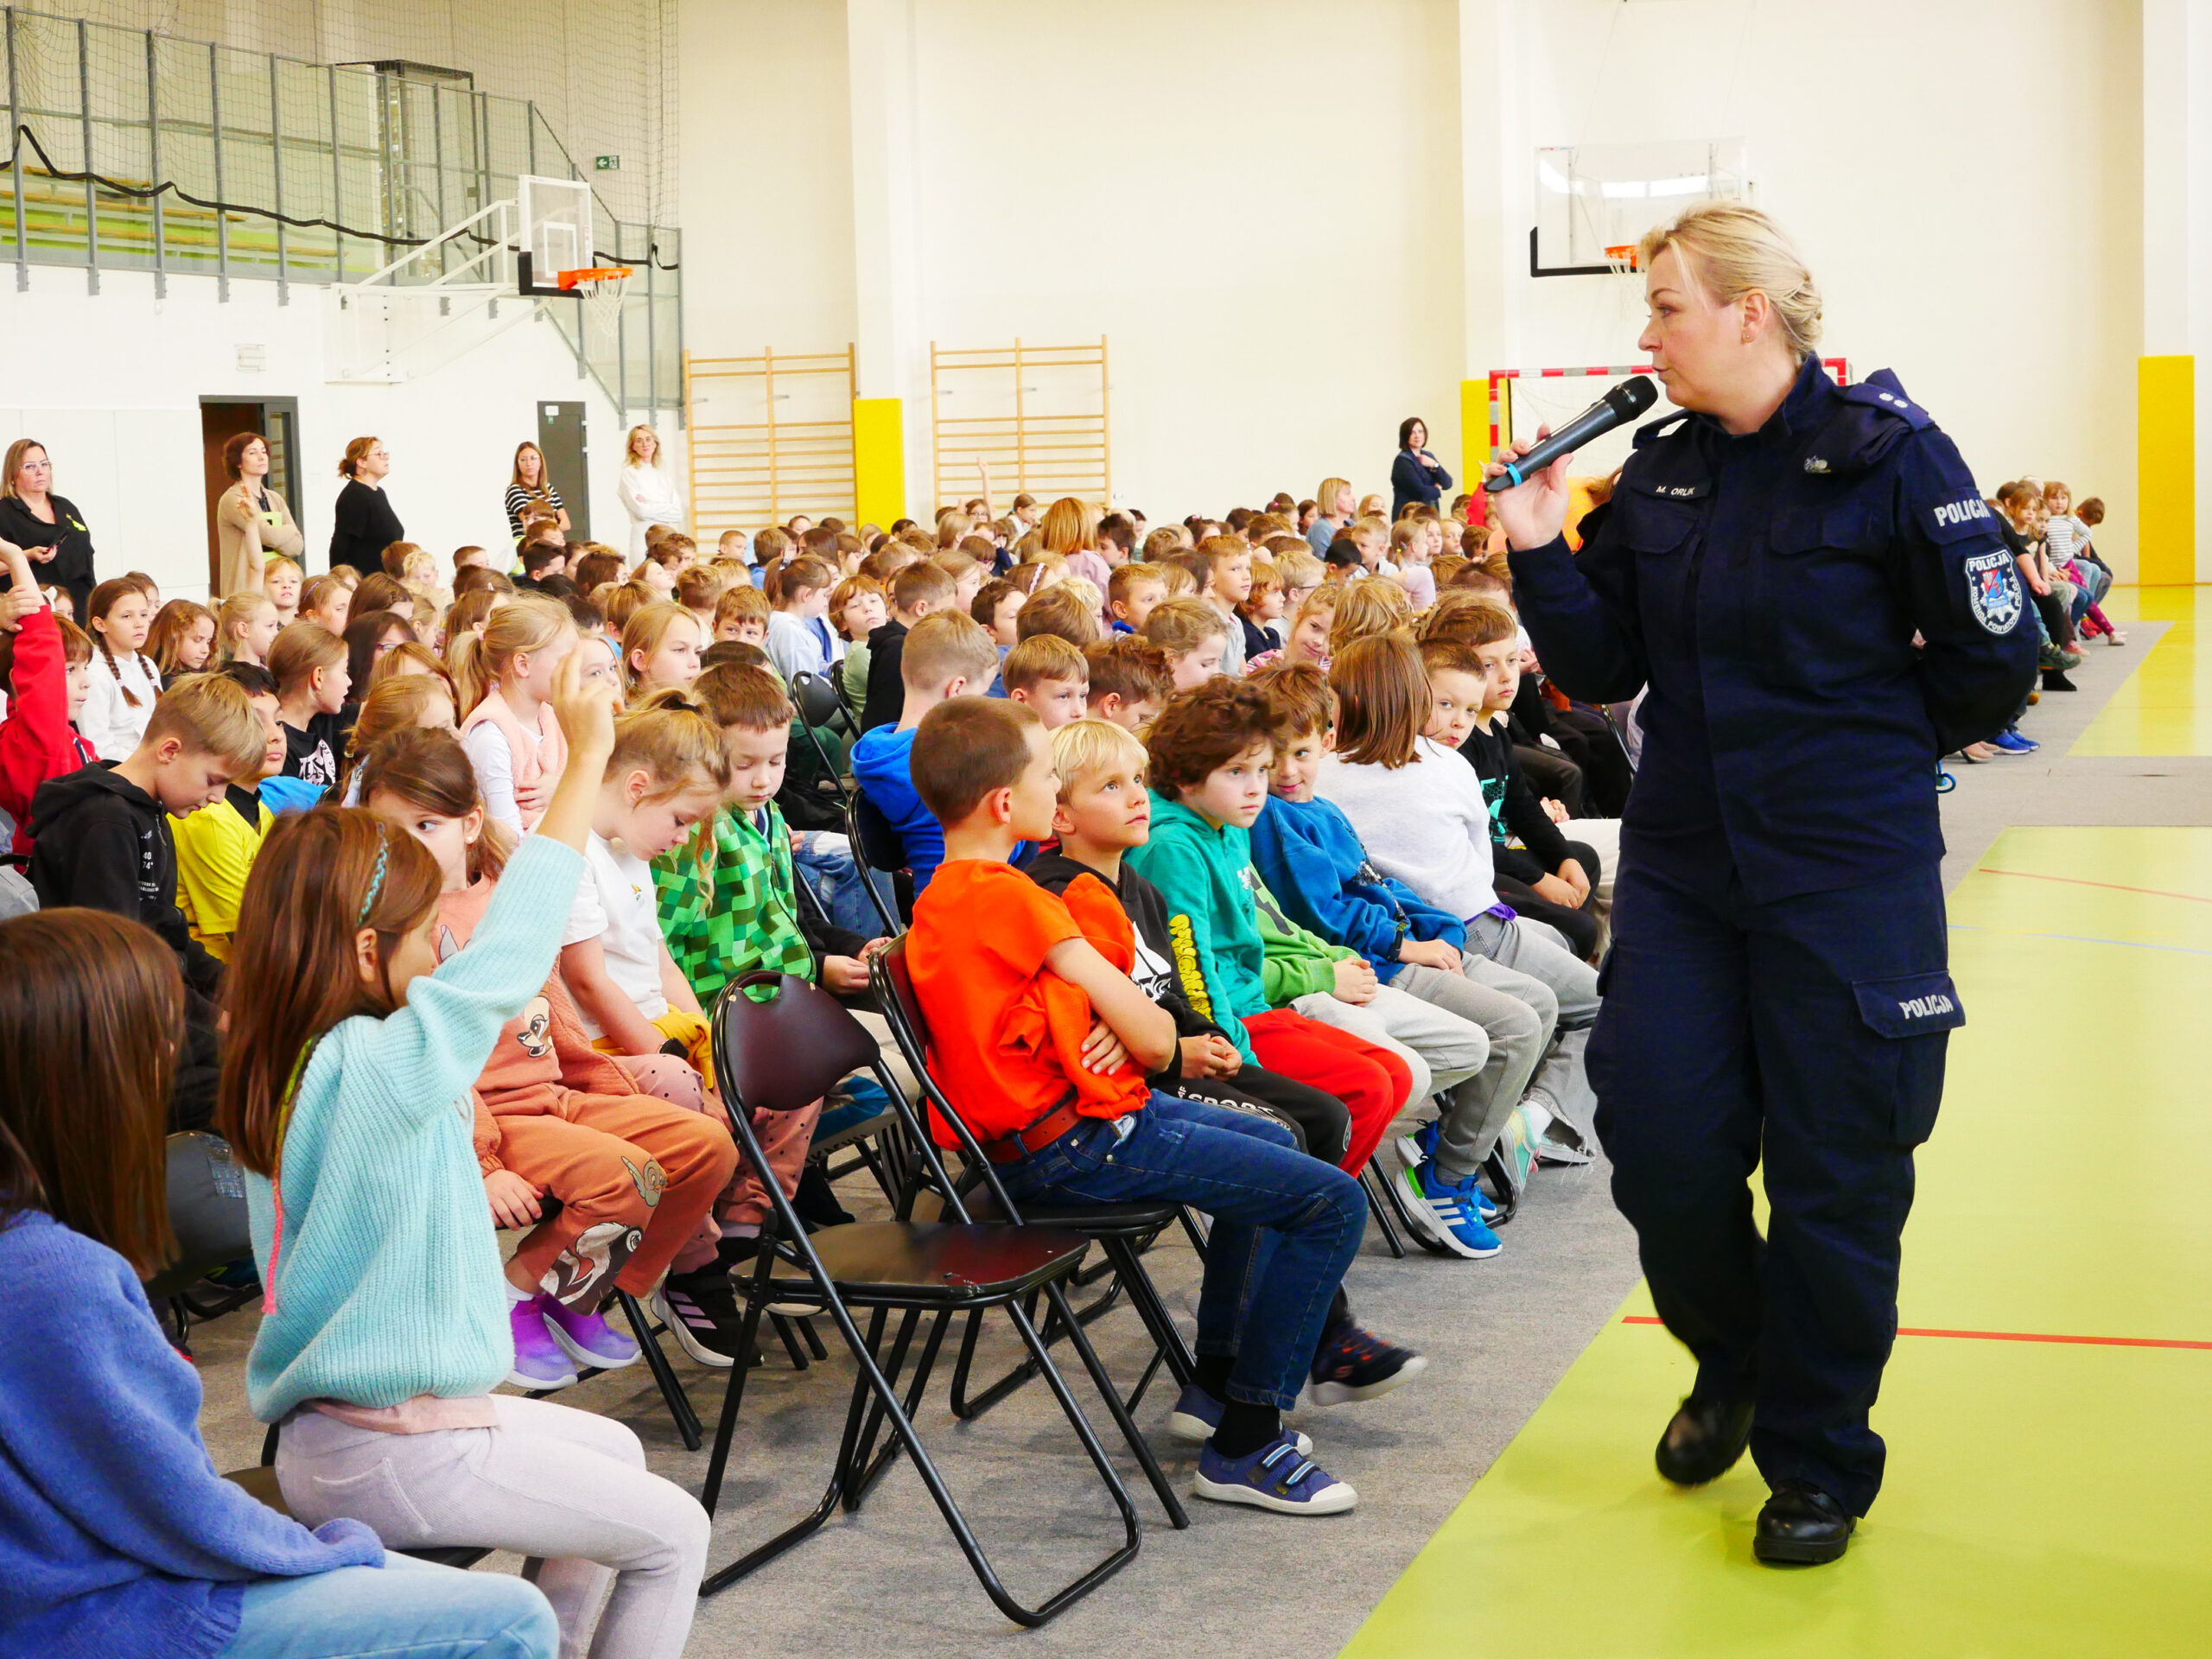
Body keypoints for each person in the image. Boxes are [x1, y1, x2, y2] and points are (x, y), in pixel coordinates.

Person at [1487, 201, 2037, 1565]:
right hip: (1684, 862)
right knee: (1663, 1135)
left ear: (1750, 312)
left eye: (1667, 304)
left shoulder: (1892, 459)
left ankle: (1816, 1457)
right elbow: (1605, 669)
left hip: (1845, 866)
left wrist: (1863, 751)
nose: (1645, 332)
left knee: (1836, 1169)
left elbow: (1994, 660)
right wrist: (1543, 546)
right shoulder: (1663, 471)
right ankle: (1729, 1359)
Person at [219, 658, 710, 1658]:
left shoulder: (305, 1052)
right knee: (674, 1533)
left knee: (616, 1455)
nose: (443, 950)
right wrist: (587, 760)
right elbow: (515, 944)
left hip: (372, 1426)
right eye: (423, 935)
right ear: (365, 956)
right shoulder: (369, 1062)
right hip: (391, 1446)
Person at [0, 906, 563, 1659]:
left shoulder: (41, 1253)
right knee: (511, 1619)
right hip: (98, 1615)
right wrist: (333, 1549)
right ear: (87, 1067)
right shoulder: (54, 1277)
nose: (175, 1049)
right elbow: (171, 1508)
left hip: (77, 1584)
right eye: (156, 1031)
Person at [903, 695, 1417, 1515]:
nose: (1049, 787)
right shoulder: (1015, 897)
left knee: (1281, 1158)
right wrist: (1122, 1024)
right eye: (1045, 775)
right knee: (1330, 1201)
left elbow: (1099, 1020)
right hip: (1075, 1143)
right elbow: (1147, 1035)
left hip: (1072, 1124)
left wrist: (1109, 1022)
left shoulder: (944, 893)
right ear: (1011, 805)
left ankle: (1217, 1384)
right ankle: (1247, 1440)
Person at [357, 728, 736, 1390]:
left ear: (471, 824)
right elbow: (424, 1052)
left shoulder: (503, 891)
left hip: (552, 1093)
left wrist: (611, 1086)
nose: (411, 844)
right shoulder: (390, 927)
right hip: (491, 1118)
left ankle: (578, 1294)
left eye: (427, 824)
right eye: (393, 830)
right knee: (627, 1174)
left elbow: (552, 1006)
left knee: (708, 1146)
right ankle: (509, 1298)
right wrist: (483, 1162)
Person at [557, 700, 730, 1076]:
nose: (684, 838)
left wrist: (714, 1051)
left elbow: (662, 965)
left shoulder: (630, 840)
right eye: (680, 820)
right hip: (605, 1044)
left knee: (769, 1077)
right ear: (637, 788)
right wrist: (671, 1057)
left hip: (657, 1028)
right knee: (684, 1084)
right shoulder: (572, 848)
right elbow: (587, 982)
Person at [849, 610, 1002, 893]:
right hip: (966, 902)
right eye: (979, 696)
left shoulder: (879, 752)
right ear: (956, 689)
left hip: (933, 900)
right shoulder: (946, 762)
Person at [172, 662, 289, 961]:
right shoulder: (207, 815)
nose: (275, 735)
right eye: (254, 721)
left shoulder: (261, 808)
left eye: (278, 722)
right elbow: (253, 936)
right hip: (217, 981)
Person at [0, 540, 95, 859]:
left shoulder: (69, 739)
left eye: (84, 669)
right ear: (21, 680)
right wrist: (15, 557)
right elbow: (41, 652)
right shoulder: (36, 739)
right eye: (68, 670)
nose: (86, 682)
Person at [454, 594, 577, 836]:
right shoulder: (489, 735)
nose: (575, 669)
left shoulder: (553, 716)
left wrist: (564, 789)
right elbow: (507, 838)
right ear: (523, 664)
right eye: (565, 660)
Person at [0, 438, 97, 617]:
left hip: (79, 607)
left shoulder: (65, 506)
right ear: (13, 475)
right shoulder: (4, 512)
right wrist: (27, 555)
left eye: (44, 464)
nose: (40, 472)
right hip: (35, 609)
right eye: (30, 466)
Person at [76, 577, 163, 761]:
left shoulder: (147, 663)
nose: (139, 623)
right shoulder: (94, 674)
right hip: (123, 771)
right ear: (100, 624)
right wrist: (147, 766)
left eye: (144, 614)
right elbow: (98, 747)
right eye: (126, 616)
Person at [214, 432, 306, 598]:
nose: (261, 457)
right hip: (247, 586)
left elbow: (297, 546)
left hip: (276, 584)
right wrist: (289, 529)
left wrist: (280, 534)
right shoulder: (233, 498)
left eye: (263, 451)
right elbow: (267, 536)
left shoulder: (274, 498)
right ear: (238, 462)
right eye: (252, 452)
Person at [267, 622, 354, 790]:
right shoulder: (279, 746)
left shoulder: (319, 720)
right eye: (344, 671)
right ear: (318, 677)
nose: (349, 682)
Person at [327, 437, 403, 575]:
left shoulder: (378, 493)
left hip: (384, 579)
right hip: (367, 582)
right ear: (362, 462)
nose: (385, 458)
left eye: (385, 453)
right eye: (378, 454)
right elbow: (341, 545)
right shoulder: (355, 496)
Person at [617, 426, 684, 560]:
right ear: (633, 446)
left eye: (648, 439)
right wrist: (665, 506)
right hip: (642, 537)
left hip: (667, 537)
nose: (645, 444)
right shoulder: (629, 473)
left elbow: (678, 513)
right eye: (639, 440)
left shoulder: (662, 475)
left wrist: (650, 504)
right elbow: (641, 511)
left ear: (655, 443)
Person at [505, 441, 571, 543]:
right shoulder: (515, 490)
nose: (529, 463)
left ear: (540, 462)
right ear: (517, 464)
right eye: (523, 460)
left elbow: (566, 523)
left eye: (533, 458)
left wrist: (550, 530)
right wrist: (553, 526)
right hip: (527, 544)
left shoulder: (547, 488)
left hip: (551, 543)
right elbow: (532, 526)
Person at [1389, 417, 1453, 521]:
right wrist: (1437, 489)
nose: (1417, 435)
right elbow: (1420, 492)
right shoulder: (1402, 461)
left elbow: (1447, 483)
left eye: (1420, 431)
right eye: (1412, 432)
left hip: (1429, 515)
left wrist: (1434, 465)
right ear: (1405, 436)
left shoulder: (1428, 456)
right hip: (1409, 518)